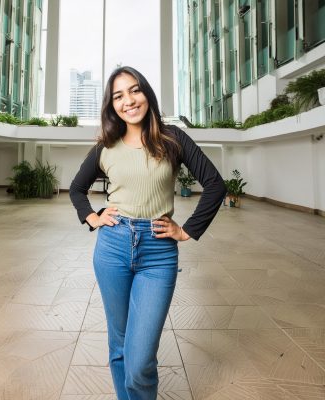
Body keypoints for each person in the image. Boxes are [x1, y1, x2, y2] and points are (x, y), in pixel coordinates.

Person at [69, 66, 226, 400]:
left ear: (147, 94)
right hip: (112, 247)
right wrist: (93, 217)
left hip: (158, 251)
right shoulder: (105, 147)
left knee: (140, 359)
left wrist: (186, 231)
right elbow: (76, 189)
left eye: (135, 90)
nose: (129, 100)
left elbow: (215, 185)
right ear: (112, 106)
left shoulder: (173, 138)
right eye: (119, 96)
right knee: (120, 343)